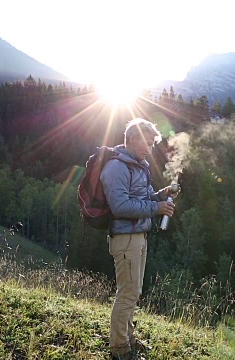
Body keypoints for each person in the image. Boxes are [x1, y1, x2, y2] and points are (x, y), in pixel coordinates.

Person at [100, 118, 177, 360]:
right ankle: (120, 349)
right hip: (125, 238)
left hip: (138, 236)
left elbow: (141, 198)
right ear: (132, 139)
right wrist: (157, 209)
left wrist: (161, 195)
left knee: (134, 291)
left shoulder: (136, 165)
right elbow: (120, 206)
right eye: (147, 143)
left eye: (153, 144)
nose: (150, 149)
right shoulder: (117, 168)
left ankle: (128, 338)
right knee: (127, 293)